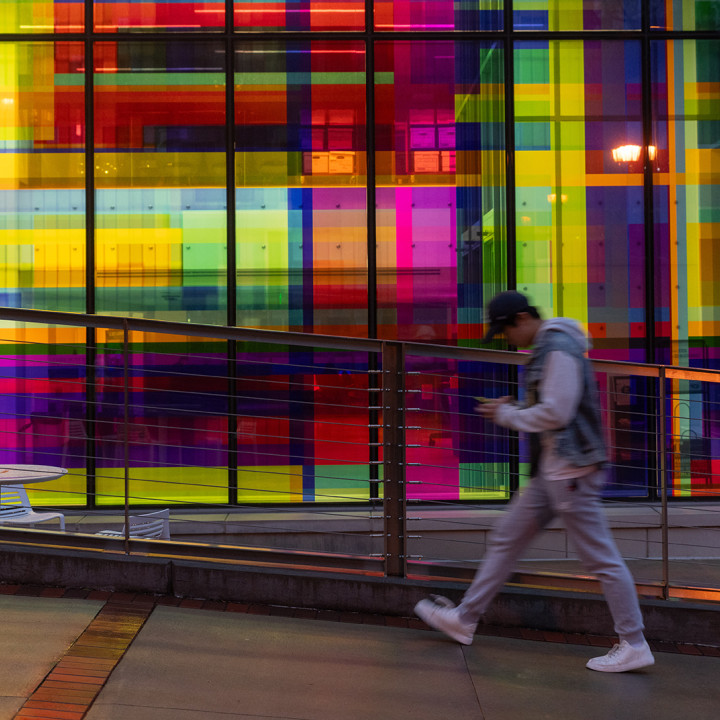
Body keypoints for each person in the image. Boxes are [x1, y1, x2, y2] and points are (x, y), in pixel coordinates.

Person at [414, 290, 655, 673]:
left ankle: (634, 642)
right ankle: (465, 618)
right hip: (555, 472)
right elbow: (556, 408)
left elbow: (557, 412)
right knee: (507, 537)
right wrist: (514, 409)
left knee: (602, 560)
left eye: (506, 330)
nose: (506, 338)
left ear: (523, 317)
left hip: (571, 473)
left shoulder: (558, 348)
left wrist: (509, 414)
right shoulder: (549, 346)